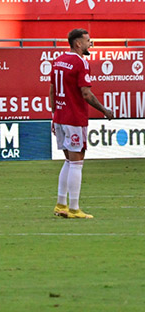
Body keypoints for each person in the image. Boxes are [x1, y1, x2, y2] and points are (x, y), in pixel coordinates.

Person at [50, 29, 114, 219]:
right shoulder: (80, 62)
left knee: (69, 161)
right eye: (87, 41)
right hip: (74, 118)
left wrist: (54, 114)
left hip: (60, 117)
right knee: (77, 162)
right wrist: (104, 110)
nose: (90, 44)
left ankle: (61, 204)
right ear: (78, 43)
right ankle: (74, 208)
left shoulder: (58, 60)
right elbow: (86, 93)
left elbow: (52, 89)